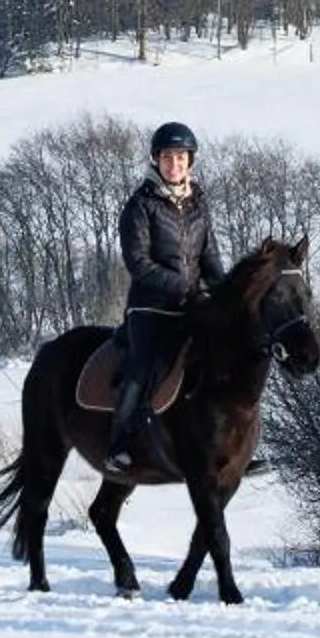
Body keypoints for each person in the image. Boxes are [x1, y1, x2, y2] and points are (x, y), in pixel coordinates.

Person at [109, 120, 225, 473]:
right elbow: (139, 263)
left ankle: (230, 443)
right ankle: (121, 442)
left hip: (193, 306)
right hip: (150, 307)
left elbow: (210, 258)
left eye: (180, 157)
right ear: (155, 160)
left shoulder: (199, 204)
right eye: (167, 158)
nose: (174, 164)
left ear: (190, 161)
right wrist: (183, 287)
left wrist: (227, 293)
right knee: (144, 366)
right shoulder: (140, 206)